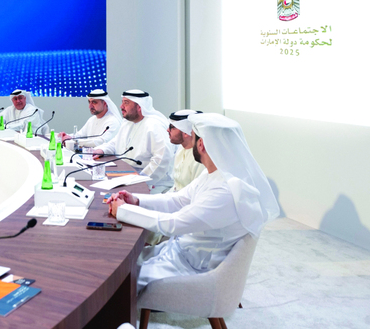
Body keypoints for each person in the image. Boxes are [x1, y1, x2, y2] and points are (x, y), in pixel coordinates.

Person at [107, 113, 280, 294]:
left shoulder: (225, 192)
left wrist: (123, 211)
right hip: (180, 252)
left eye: (194, 137)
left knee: (117, 284)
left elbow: (173, 224)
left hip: (193, 268)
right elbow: (178, 199)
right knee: (115, 264)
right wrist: (136, 200)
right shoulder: (213, 174)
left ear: (201, 144)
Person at [91, 90, 173, 193]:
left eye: (126, 103)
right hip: (129, 176)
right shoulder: (128, 123)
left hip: (153, 183)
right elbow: (116, 142)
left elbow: (162, 159)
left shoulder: (154, 125)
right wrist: (102, 150)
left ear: (139, 106)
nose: (121, 106)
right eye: (122, 102)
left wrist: (142, 179)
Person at [168, 109, 205, 192]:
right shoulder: (180, 149)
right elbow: (176, 186)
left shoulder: (200, 158)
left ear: (185, 132)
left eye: (172, 127)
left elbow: (195, 192)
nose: (168, 130)